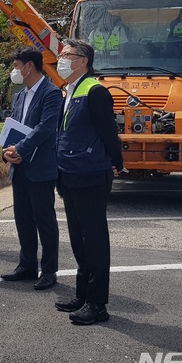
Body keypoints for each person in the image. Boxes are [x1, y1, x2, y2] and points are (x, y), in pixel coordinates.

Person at [53, 39, 124, 325]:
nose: (61, 59)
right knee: (78, 239)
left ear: (83, 60)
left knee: (94, 240)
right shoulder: (69, 90)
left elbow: (108, 132)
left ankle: (97, 303)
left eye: (67, 55)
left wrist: (117, 163)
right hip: (69, 172)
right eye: (61, 54)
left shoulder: (95, 91)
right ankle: (82, 294)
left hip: (90, 173)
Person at [1, 46, 63, 291]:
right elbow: (13, 126)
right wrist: (7, 151)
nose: (14, 70)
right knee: (23, 218)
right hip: (20, 167)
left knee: (44, 220)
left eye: (16, 65)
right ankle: (27, 265)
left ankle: (49, 270)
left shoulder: (51, 93)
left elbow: (46, 128)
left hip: (41, 166)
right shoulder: (19, 95)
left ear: (29, 66)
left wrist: (21, 150)